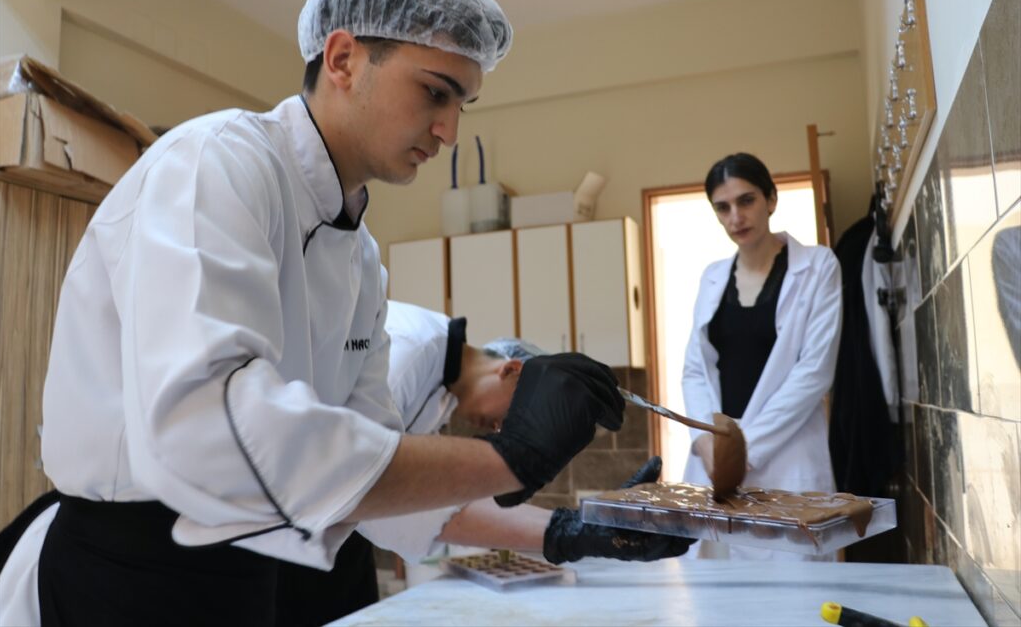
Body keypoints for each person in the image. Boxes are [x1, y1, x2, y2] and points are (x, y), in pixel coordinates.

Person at [0, 0, 625, 625]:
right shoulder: (217, 163)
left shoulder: (361, 262)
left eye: (461, 104)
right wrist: (508, 457)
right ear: (343, 58)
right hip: (123, 577)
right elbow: (210, 429)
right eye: (435, 92)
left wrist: (559, 521)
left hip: (246, 581)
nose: (449, 131)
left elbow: (370, 471)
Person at [275, 301, 692, 625]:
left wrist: (583, 526)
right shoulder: (408, 350)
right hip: (280, 538)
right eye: (514, 417)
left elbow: (421, 499)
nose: (498, 427)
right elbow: (374, 488)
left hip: (322, 536)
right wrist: (570, 531)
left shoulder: (436, 388)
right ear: (511, 370)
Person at [681, 153, 842, 561]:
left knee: (791, 589)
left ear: (771, 199)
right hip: (716, 465)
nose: (736, 217)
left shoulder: (818, 266)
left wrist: (743, 451)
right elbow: (695, 370)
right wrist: (706, 443)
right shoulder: (712, 276)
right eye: (723, 207)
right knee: (716, 590)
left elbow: (814, 372)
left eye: (746, 200)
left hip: (787, 455)